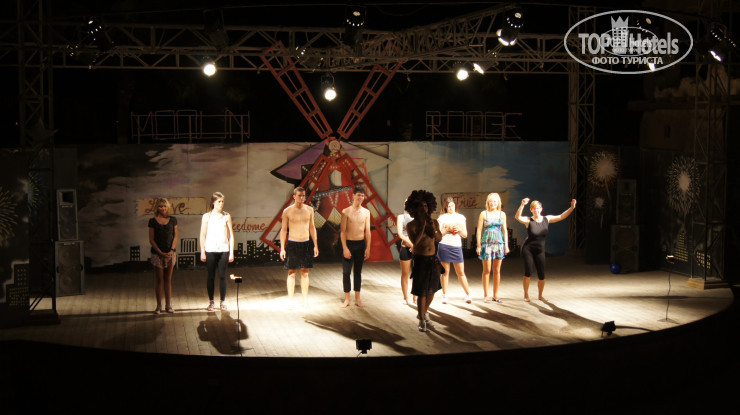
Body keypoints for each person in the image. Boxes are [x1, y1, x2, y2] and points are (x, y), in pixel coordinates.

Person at [515, 197, 576, 302]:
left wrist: (572, 208)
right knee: (528, 272)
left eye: (538, 208)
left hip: (540, 250)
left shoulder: (547, 219)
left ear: (541, 209)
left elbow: (561, 216)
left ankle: (540, 295)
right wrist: (522, 205)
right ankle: (526, 295)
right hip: (528, 249)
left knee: (542, 274)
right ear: (531, 210)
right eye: (534, 208)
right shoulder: (528, 221)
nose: (536, 210)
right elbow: (517, 217)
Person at [405, 190, 442, 332]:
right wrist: (423, 225)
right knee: (422, 292)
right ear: (415, 208)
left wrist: (434, 228)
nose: (424, 208)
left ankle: (424, 313)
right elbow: (415, 241)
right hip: (420, 260)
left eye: (426, 205)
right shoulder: (411, 225)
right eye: (421, 206)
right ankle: (421, 319)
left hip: (433, 259)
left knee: (432, 290)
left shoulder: (434, 222)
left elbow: (439, 238)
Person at [280, 187, 319, 307]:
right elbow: (284, 230)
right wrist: (282, 248)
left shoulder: (310, 210)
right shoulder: (287, 211)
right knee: (292, 273)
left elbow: (312, 227)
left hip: (306, 243)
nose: (302, 198)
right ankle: (291, 300)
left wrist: (315, 245)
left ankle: (305, 300)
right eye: (299, 196)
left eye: (303, 196)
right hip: (293, 243)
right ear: (294, 197)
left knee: (305, 273)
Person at [200, 192, 235, 311]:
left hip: (223, 249)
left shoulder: (226, 216)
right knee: (210, 276)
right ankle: (211, 302)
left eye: (222, 201)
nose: (221, 204)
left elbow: (231, 235)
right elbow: (202, 234)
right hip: (210, 249)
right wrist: (202, 251)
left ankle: (222, 301)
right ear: (213, 202)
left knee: (222, 276)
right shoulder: (207, 216)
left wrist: (231, 252)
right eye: (219, 201)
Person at [436, 197, 472, 304]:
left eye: (452, 206)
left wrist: (459, 229)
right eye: (448, 206)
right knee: (445, 272)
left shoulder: (460, 217)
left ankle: (468, 294)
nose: (450, 208)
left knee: (461, 272)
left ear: (455, 206)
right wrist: (447, 229)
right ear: (445, 207)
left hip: (456, 246)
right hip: (444, 245)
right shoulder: (442, 218)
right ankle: (444, 295)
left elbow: (465, 235)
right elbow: (438, 235)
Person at [340, 187, 371, 308]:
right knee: (346, 272)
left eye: (362, 196)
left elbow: (368, 231)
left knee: (358, 272)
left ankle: (358, 299)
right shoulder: (346, 211)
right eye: (358, 195)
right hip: (349, 243)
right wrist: (345, 248)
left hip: (360, 244)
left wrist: (368, 247)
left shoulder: (366, 212)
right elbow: (343, 231)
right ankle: (347, 299)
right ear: (353, 195)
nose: (360, 198)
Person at [476, 193, 509, 303]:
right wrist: (478, 245)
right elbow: (479, 231)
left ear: (498, 202)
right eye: (491, 201)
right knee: (487, 270)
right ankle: (486, 295)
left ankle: (496, 295)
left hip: (499, 244)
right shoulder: (483, 214)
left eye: (495, 201)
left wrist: (506, 245)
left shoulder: (502, 214)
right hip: (486, 244)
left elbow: (504, 230)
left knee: (497, 270)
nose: (493, 203)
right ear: (488, 202)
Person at [148, 197, 178, 314]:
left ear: (168, 207)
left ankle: (168, 305)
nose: (163, 208)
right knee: (159, 279)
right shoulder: (152, 221)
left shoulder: (173, 220)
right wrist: (160, 252)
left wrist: (171, 250)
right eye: (160, 206)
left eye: (165, 206)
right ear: (157, 208)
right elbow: (151, 239)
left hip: (170, 254)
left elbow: (175, 236)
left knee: (168, 279)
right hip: (157, 254)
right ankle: (158, 306)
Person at [397, 202, 416, 305]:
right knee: (405, 274)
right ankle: (405, 297)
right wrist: (411, 244)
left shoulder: (417, 216)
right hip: (405, 247)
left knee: (417, 274)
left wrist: (415, 245)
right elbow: (400, 234)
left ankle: (415, 297)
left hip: (417, 249)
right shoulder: (401, 217)